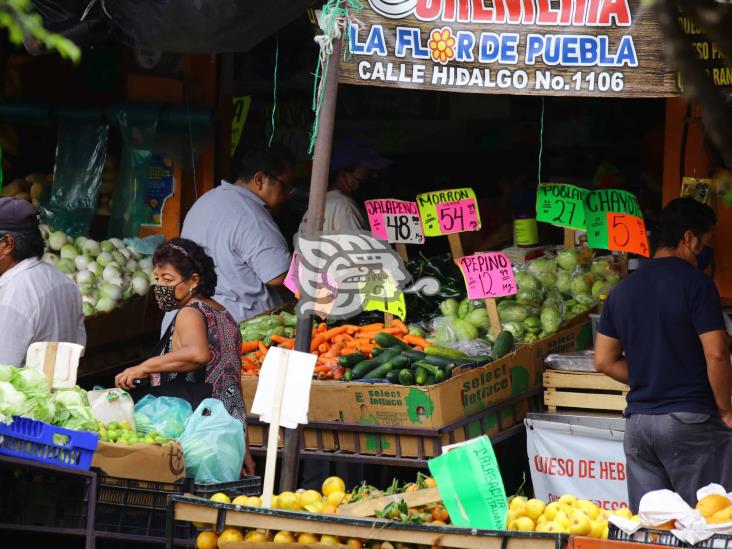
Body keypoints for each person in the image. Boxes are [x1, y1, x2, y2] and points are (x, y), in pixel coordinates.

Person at [594, 198, 732, 510]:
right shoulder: (697, 285)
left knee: (653, 528)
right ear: (689, 238)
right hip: (691, 423)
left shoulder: (622, 291)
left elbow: (603, 360)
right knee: (709, 524)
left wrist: (650, 375)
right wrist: (725, 411)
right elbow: (718, 354)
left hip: (640, 426)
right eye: (708, 241)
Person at [115, 238, 255, 475]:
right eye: (157, 279)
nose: (160, 287)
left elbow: (198, 354)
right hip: (224, 430)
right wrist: (243, 443)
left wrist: (144, 367)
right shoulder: (224, 315)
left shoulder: (190, 313)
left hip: (197, 434)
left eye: (168, 280)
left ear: (193, 281)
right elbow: (232, 385)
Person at [162, 144, 294, 333]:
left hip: (187, 325)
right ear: (260, 179)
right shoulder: (251, 214)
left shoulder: (207, 200)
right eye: (285, 186)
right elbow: (279, 275)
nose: (288, 195)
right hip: (229, 332)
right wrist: (321, 287)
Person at [0, 198, 85, 366]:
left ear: (7, 244)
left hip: (22, 392)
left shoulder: (12, 298)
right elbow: (78, 347)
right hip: (59, 390)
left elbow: (3, 369)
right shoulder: (63, 281)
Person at [297, 140, 390, 237]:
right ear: (343, 175)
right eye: (367, 172)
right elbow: (360, 251)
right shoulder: (345, 206)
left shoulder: (320, 203)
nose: (374, 176)